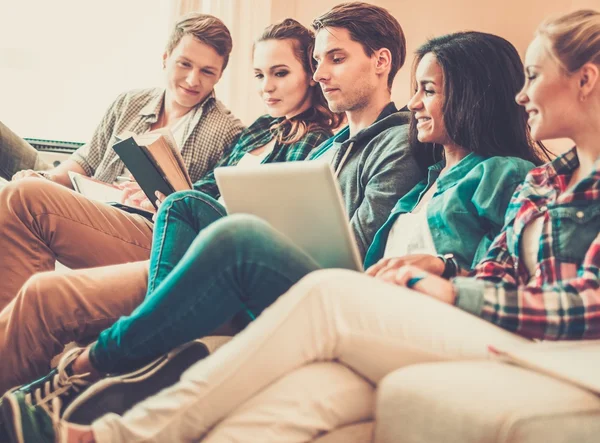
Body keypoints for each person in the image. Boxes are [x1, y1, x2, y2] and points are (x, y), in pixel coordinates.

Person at [8, 9, 598, 443]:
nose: (523, 95)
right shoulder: (540, 182)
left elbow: (578, 302)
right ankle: (93, 436)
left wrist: (453, 281)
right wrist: (448, 267)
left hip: (487, 332)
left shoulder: (501, 172)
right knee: (278, 409)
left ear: (585, 81)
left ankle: (107, 364)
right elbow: (493, 262)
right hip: (391, 297)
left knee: (263, 255)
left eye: (534, 75)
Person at [0, 17, 340, 393]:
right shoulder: (261, 128)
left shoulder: (315, 142)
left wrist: (170, 199)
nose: (267, 87)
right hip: (154, 212)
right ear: (165, 59)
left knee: (25, 203)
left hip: (190, 238)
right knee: (23, 192)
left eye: (280, 73)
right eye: (259, 75)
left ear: (311, 75)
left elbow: (255, 218)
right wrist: (169, 195)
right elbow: (207, 188)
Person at [0, 13, 244, 307]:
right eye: (185, 64)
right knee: (26, 178)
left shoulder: (227, 132)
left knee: (21, 196)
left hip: (128, 222)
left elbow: (211, 212)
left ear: (219, 75)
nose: (193, 80)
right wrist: (48, 180)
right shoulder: (130, 102)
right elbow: (85, 162)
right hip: (82, 193)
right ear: (165, 58)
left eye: (207, 71)